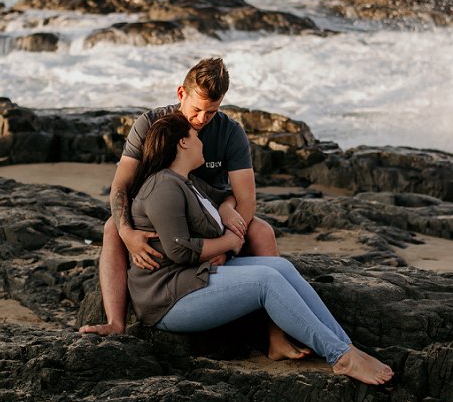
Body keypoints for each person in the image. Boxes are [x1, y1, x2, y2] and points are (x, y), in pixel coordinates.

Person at [125, 112, 395, 385]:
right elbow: (178, 250)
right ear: (182, 143)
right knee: (266, 280)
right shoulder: (163, 186)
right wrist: (229, 243)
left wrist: (227, 209)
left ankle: (345, 345)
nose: (201, 140)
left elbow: (230, 197)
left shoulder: (188, 181)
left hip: (192, 279)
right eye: (195, 136)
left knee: (280, 266)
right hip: (167, 299)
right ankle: (340, 357)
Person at [80, 57, 306, 361]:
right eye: (196, 110)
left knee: (263, 231)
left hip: (210, 217)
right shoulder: (151, 124)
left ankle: (275, 337)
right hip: (159, 215)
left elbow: (246, 199)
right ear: (180, 94)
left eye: (211, 112)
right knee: (110, 227)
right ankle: (115, 322)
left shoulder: (229, 132)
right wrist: (127, 232)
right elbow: (120, 188)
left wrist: (226, 244)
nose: (201, 119)